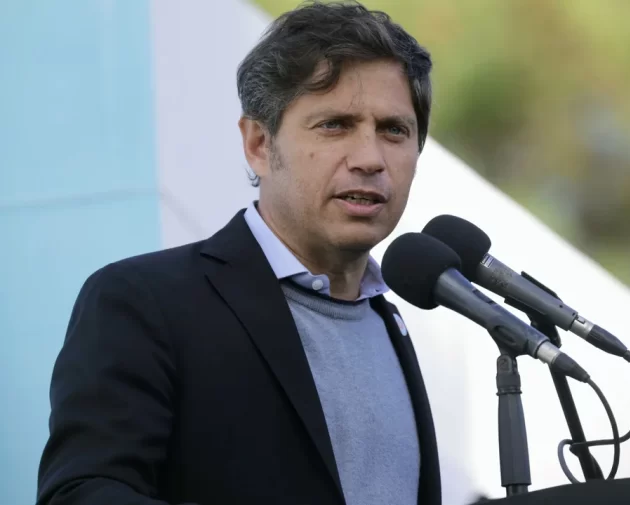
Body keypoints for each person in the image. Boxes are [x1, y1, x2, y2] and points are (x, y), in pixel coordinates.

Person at [36, 2, 438, 504]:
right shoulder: (143, 302)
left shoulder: (387, 322)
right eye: (335, 124)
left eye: (394, 130)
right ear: (259, 144)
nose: (370, 158)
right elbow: (82, 494)